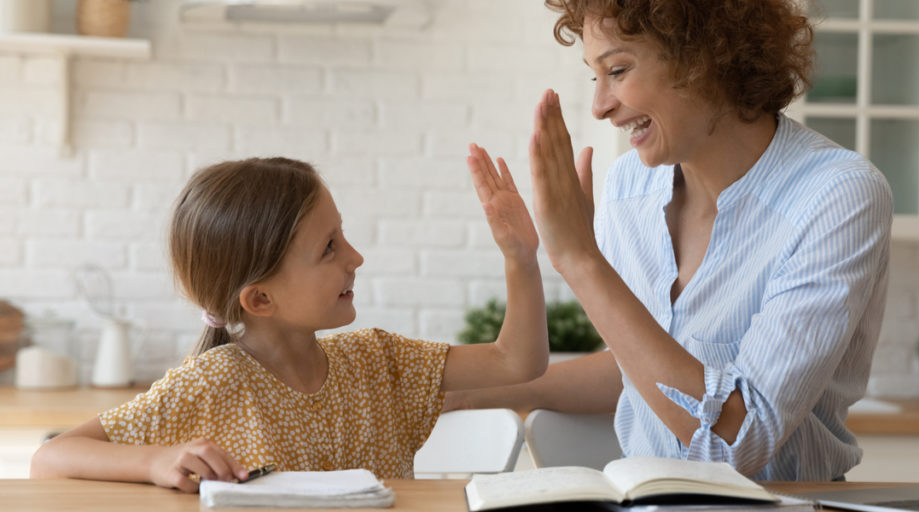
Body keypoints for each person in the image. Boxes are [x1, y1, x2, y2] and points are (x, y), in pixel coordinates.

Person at [446, 0, 892, 481]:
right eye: (593, 77)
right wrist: (479, 394)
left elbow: (737, 441)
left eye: (617, 69)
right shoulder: (627, 188)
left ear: (704, 57)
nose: (600, 105)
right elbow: (639, 369)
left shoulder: (837, 194)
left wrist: (579, 260)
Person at [30, 152, 548, 491]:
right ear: (260, 300)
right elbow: (52, 458)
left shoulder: (380, 360)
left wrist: (520, 258)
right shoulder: (211, 384)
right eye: (329, 248)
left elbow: (517, 361)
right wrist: (153, 462)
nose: (356, 257)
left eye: (342, 235)